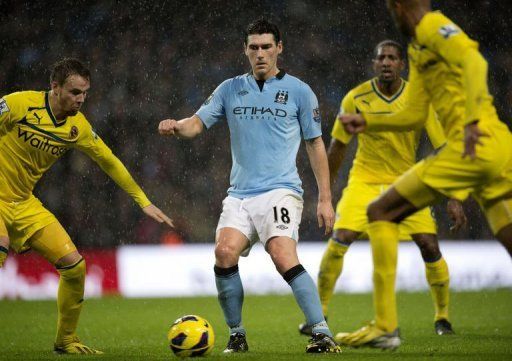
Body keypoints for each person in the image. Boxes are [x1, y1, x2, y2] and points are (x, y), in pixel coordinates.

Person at [158, 19, 341, 354]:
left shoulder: (300, 92)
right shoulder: (230, 88)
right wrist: (177, 126)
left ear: (279, 48)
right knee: (224, 253)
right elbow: (197, 123)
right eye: (254, 47)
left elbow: (315, 145)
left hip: (281, 190)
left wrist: (325, 199)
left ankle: (321, 332)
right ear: (245, 50)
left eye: (266, 47)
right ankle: (237, 335)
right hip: (240, 194)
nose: (260, 53)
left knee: (281, 253)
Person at [339, 0, 512, 349]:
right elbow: (415, 114)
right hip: (495, 148)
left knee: (380, 211)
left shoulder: (433, 25)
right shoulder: (418, 48)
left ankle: (386, 326)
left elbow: (476, 61)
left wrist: (473, 119)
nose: (392, 14)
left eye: (392, 8)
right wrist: (369, 121)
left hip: (472, 143)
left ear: (403, 6)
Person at [0, 58, 173, 355]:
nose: (80, 99)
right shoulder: (18, 104)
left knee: (74, 267)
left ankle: (66, 341)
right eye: (74, 92)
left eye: (85, 93)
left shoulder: (77, 127)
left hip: (24, 203)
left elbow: (109, 161)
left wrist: (142, 201)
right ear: (54, 87)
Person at [297, 40, 466, 342]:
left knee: (429, 246)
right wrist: (326, 195)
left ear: (402, 63)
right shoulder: (356, 98)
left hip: (405, 182)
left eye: (392, 57)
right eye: (381, 58)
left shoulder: (419, 99)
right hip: (364, 180)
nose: (386, 62)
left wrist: (454, 196)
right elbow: (337, 148)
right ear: (374, 64)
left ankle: (442, 316)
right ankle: (319, 314)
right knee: (340, 240)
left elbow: (443, 149)